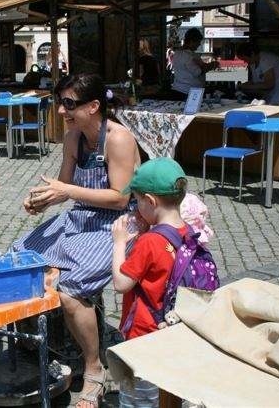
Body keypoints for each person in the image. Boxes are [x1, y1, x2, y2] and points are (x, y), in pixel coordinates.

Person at [12, 73, 140, 408]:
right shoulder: (73, 138)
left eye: (68, 104)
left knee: (70, 289)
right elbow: (64, 187)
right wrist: (41, 200)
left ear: (94, 106)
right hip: (82, 217)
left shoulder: (119, 139)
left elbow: (120, 199)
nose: (60, 110)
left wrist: (65, 191)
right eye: (60, 102)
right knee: (21, 256)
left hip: (119, 224)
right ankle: (39, 343)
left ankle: (94, 368)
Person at [110, 157, 188, 408]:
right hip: (172, 330)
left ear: (151, 202)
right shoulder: (188, 233)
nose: (134, 206)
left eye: (136, 200)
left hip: (143, 336)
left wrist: (119, 242)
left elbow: (121, 284)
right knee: (166, 393)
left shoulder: (149, 243)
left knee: (139, 399)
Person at [171, 28, 218, 100]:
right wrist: (212, 65)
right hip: (188, 92)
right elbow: (198, 72)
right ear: (191, 41)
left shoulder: (177, 53)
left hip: (178, 89)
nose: (199, 44)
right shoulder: (189, 56)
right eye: (198, 42)